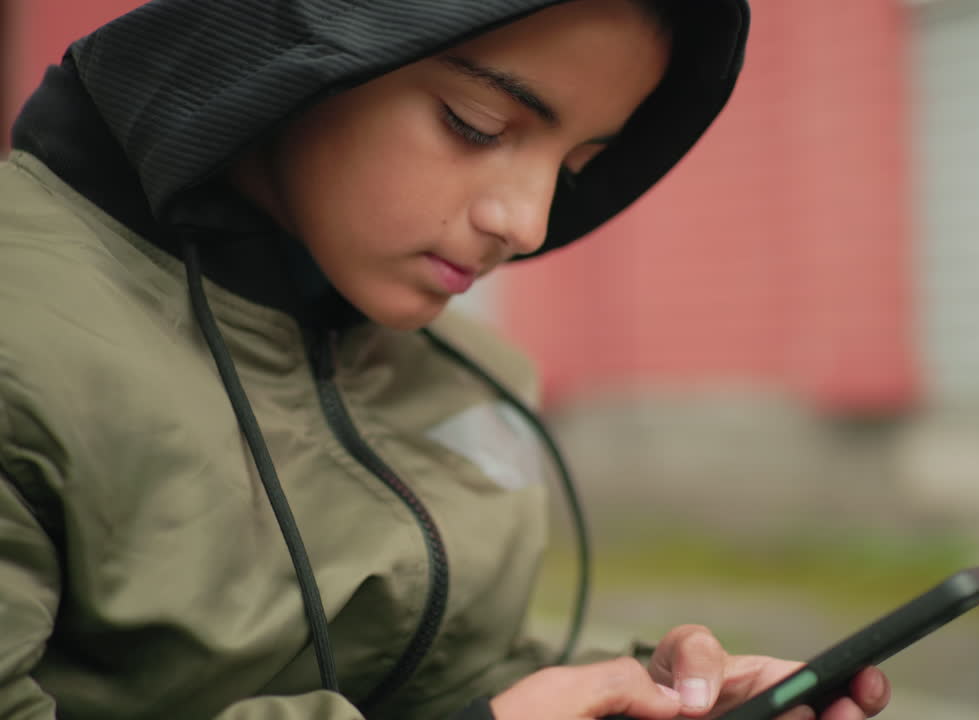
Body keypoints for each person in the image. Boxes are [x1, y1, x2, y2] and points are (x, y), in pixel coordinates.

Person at [0, 1, 893, 719]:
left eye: (578, 162)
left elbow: (430, 678)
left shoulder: (467, 367)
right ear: (288, 52)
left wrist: (628, 694)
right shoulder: (24, 321)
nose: (530, 223)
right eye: (477, 124)